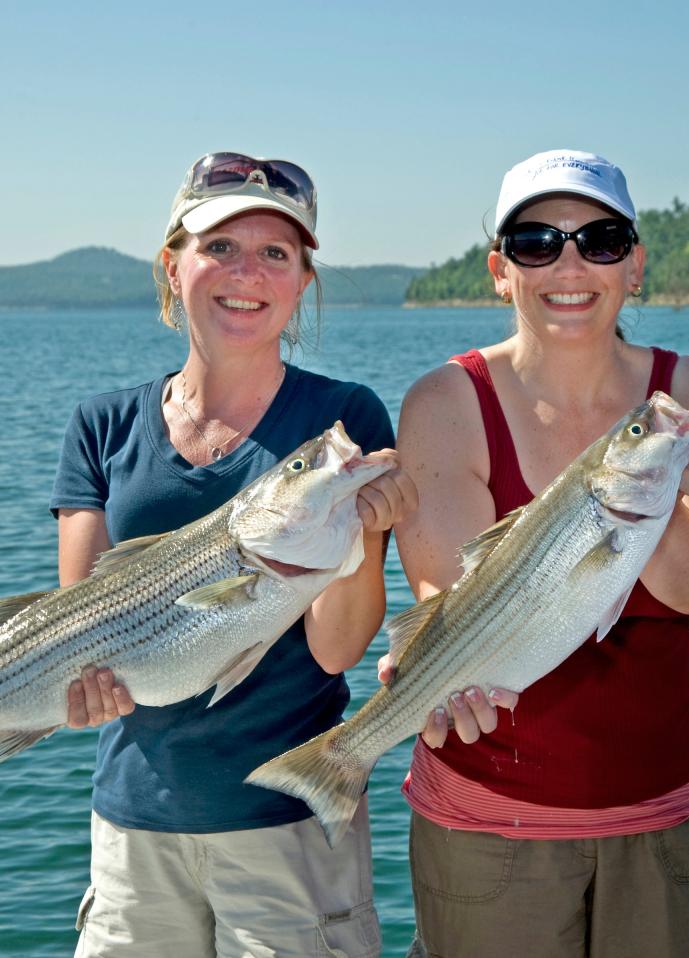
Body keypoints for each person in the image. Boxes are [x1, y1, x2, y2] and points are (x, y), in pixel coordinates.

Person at [50, 151, 415, 958]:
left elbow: (337, 647)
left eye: (275, 254)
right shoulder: (101, 425)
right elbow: (77, 624)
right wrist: (79, 688)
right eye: (218, 247)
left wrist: (361, 539)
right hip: (132, 830)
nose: (245, 272)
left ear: (303, 284)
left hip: (286, 827)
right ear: (172, 265)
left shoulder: (343, 423)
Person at [390, 149, 689, 957]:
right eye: (537, 243)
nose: (570, 265)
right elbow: (459, 609)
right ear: (499, 271)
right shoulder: (445, 403)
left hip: (662, 817)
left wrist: (626, 466)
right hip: (489, 821)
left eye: (601, 240)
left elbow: (686, 587)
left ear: (636, 264)